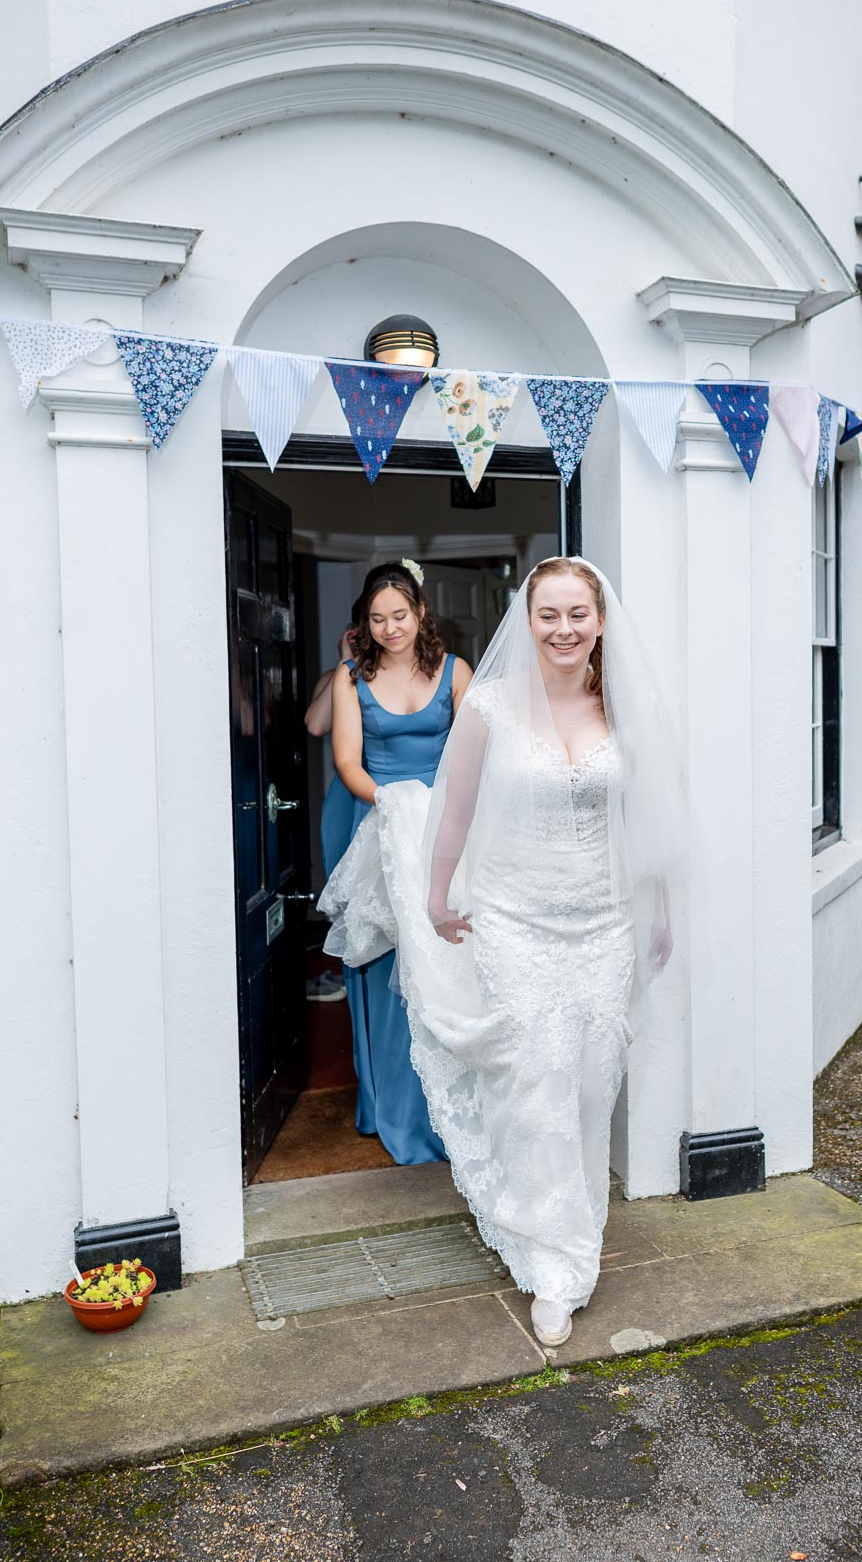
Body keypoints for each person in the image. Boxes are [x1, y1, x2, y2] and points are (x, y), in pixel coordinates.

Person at [321, 558, 681, 1347]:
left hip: (604, 922)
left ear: (599, 620)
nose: (563, 629)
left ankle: (567, 1224)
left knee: (590, 1086)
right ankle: (554, 1266)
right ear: (528, 622)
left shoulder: (623, 706)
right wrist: (436, 894)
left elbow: (647, 823)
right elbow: (454, 810)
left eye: (576, 614)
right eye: (548, 614)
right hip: (515, 918)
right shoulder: (486, 703)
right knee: (537, 1083)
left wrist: (660, 915)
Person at [327, 559, 473, 1164]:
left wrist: (447, 811)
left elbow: (478, 752)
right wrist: (397, 804)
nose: (390, 627)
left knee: (450, 961)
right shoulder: (349, 677)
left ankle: (458, 1106)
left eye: (400, 615)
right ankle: (395, 1108)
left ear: (420, 613)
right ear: (365, 622)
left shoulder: (455, 671)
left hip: (450, 834)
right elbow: (347, 763)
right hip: (383, 826)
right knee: (389, 970)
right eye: (377, 618)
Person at [304, 626, 357, 1003]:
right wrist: (345, 661)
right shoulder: (337, 677)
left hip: (394, 795)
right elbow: (316, 724)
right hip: (346, 800)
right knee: (352, 901)